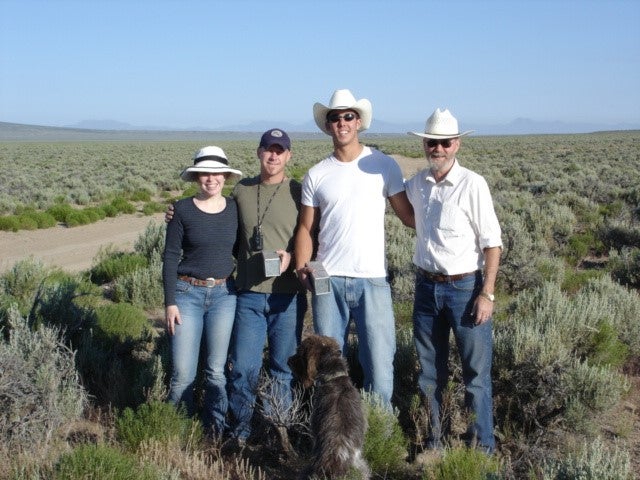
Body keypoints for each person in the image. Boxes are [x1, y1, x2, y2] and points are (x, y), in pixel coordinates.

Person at [294, 89, 414, 406]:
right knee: (329, 371)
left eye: (348, 116)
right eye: (335, 117)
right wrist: (302, 265)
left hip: (372, 280)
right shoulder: (317, 174)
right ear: (328, 125)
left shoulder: (383, 165)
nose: (342, 123)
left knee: (380, 367)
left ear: (358, 122)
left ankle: (379, 440)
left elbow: (408, 216)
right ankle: (334, 440)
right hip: (327, 280)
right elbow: (306, 227)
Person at [405, 108, 502, 453]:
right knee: (430, 374)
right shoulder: (417, 184)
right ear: (425, 145)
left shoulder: (472, 184)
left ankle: (482, 448)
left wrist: (487, 293)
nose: (438, 148)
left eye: (444, 142)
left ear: (457, 144)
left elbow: (492, 243)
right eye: (432, 142)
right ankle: (436, 441)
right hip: (426, 288)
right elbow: (405, 214)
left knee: (476, 376)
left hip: (465, 288)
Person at [225, 128, 307, 444]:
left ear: (289, 156)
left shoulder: (300, 192)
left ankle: (280, 434)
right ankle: (240, 434)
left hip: (287, 298)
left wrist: (295, 256)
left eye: (280, 150)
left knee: (282, 372)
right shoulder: (241, 191)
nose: (273, 155)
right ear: (259, 152)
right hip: (248, 295)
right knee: (243, 369)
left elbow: (315, 235)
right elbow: (219, 222)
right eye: (268, 149)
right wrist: (178, 213)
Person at [162, 145, 242, 437]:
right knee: (183, 374)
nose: (211, 179)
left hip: (224, 295)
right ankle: (176, 434)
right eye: (205, 174)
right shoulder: (181, 210)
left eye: (217, 173)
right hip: (187, 294)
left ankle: (214, 433)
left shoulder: (235, 208)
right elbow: (170, 256)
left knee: (216, 371)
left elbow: (240, 249)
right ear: (196, 178)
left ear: (225, 176)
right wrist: (170, 302)